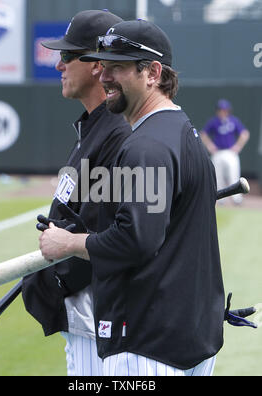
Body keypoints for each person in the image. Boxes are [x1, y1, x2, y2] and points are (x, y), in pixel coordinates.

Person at [38, 19, 226, 376]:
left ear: (153, 72)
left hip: (147, 344)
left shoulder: (147, 145)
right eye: (103, 66)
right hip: (185, 337)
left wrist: (68, 243)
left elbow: (137, 238)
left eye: (118, 67)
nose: (105, 76)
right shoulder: (180, 131)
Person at [21, 10, 131, 376]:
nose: (59, 65)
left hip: (98, 315)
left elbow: (103, 233)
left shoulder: (116, 133)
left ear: (98, 65)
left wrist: (48, 282)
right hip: (85, 314)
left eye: (68, 56)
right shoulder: (93, 128)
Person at [200, 99, 250, 204]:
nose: (223, 112)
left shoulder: (233, 121)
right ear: (218, 111)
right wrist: (210, 146)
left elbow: (245, 133)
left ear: (228, 111)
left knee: (234, 175)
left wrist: (238, 146)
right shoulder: (214, 121)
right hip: (218, 152)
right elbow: (203, 133)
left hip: (230, 152)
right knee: (217, 176)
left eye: (225, 110)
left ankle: (237, 199)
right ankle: (220, 199)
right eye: (221, 110)